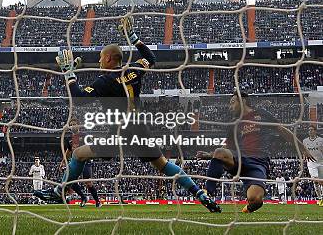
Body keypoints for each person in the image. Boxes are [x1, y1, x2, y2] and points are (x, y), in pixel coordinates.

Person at [35, 17, 221, 213]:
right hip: (139, 128)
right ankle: (201, 195)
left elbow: (80, 98)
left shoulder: (105, 80)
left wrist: (69, 74)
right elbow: (151, 58)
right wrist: (134, 38)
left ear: (108, 58)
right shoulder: (134, 70)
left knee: (79, 154)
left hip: (118, 132)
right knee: (164, 165)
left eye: (100, 57)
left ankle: (58, 191)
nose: (99, 61)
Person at [197, 91, 314, 213]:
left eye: (232, 102)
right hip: (240, 159)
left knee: (255, 199)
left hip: (258, 163)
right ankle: (207, 193)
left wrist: (303, 148)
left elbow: (282, 130)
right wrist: (210, 155)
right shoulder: (234, 123)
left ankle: (249, 207)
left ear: (243, 101)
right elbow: (227, 146)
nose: (229, 106)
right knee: (219, 151)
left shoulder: (261, 114)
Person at [302, 126, 323, 206]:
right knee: (315, 179)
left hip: (321, 162)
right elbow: (304, 151)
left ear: (315, 131)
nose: (310, 131)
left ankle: (322, 199)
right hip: (311, 163)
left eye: (311, 130)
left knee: (321, 182)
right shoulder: (305, 141)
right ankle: (320, 198)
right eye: (309, 130)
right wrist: (304, 158)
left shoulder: (321, 140)